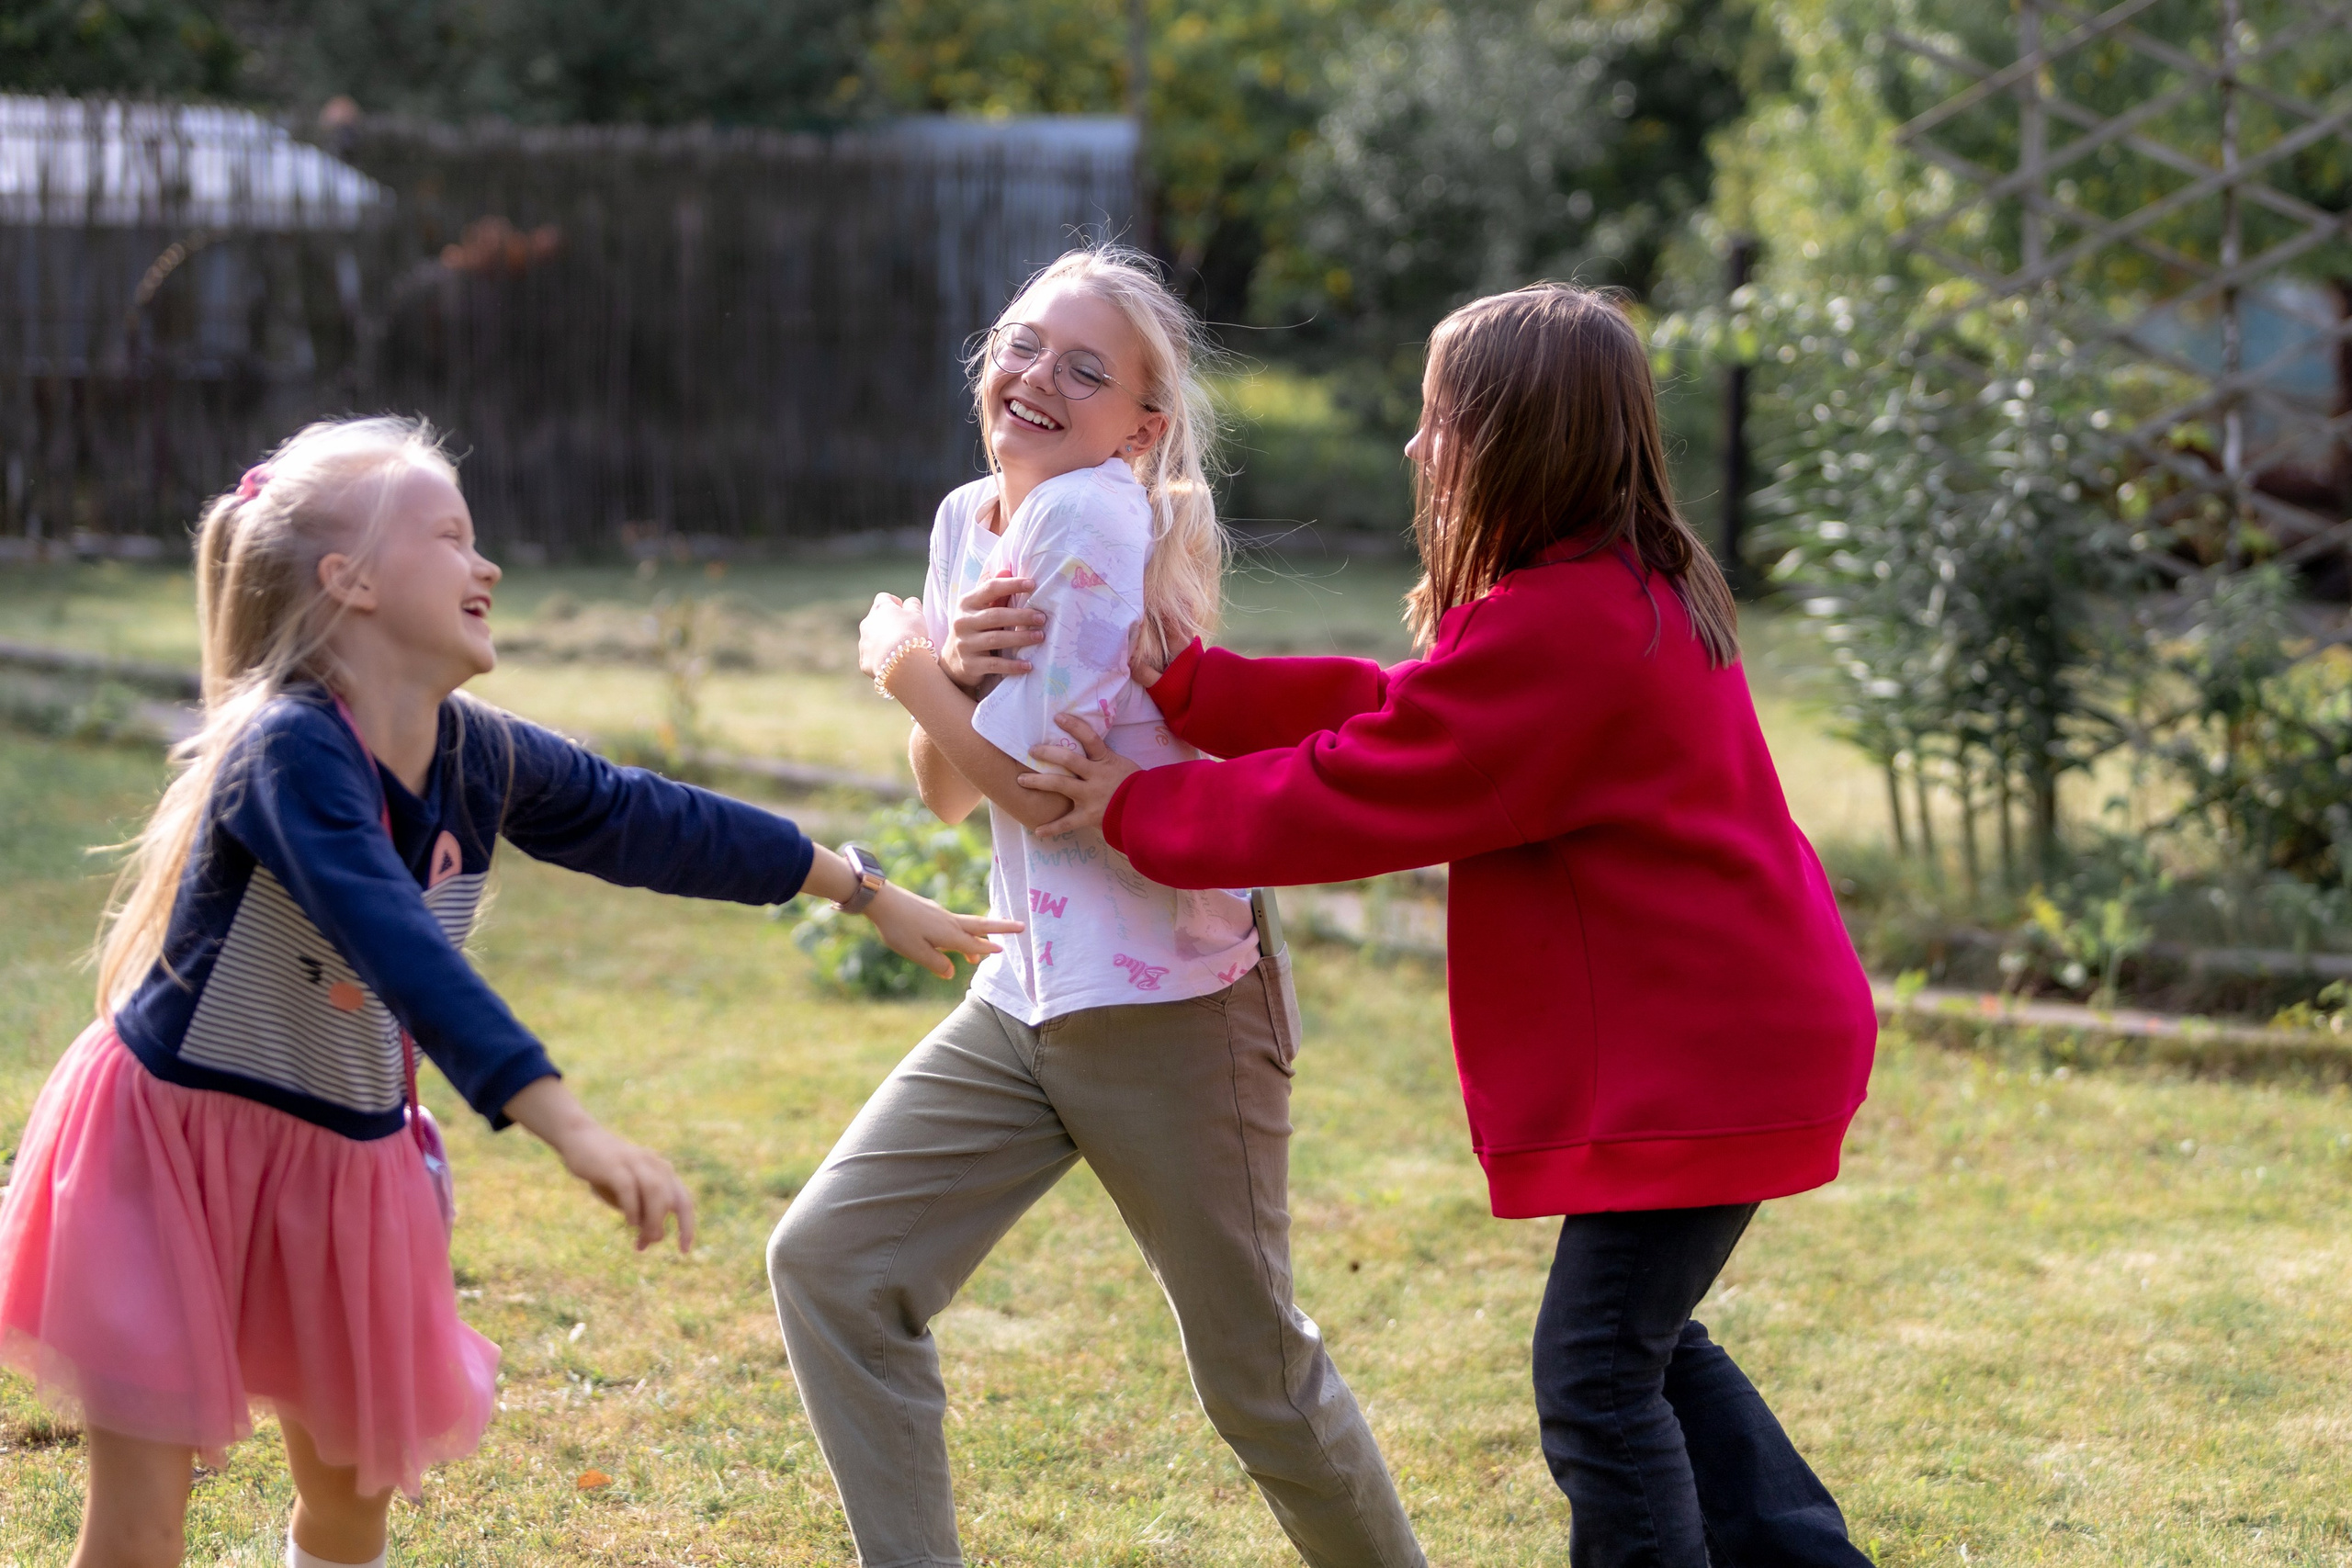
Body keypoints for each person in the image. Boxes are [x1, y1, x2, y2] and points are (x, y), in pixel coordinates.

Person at [0, 416, 1014, 1568]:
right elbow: (397, 943)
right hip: (173, 1150)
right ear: (351, 582)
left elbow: (649, 819)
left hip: (342, 1166)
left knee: (349, 1508)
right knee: (140, 1530)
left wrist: (861, 889)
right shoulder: (285, 750)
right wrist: (570, 1125)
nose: (485, 566)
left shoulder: (479, 754)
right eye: (449, 538)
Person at [1011, 284, 1882, 1568]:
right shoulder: (1609, 588)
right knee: (1638, 1347)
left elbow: (1367, 787)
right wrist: (1203, 690)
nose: (1417, 447)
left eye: (1441, 421)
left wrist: (1139, 806)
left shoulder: (1569, 628)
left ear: (1521, 441)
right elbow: (1408, 707)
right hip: (1746, 1034)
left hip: (1713, 1054)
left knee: (1598, 1381)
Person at [768, 247, 1426, 1568]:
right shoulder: (971, 517)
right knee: (832, 1261)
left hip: (1172, 1007)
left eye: (1084, 370)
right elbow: (949, 789)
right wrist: (944, 675)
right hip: (1023, 996)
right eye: (1021, 346)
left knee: (1256, 1380)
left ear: (1140, 424)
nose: (1037, 380)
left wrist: (904, 665)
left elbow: (1043, 794)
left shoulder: (1094, 518)